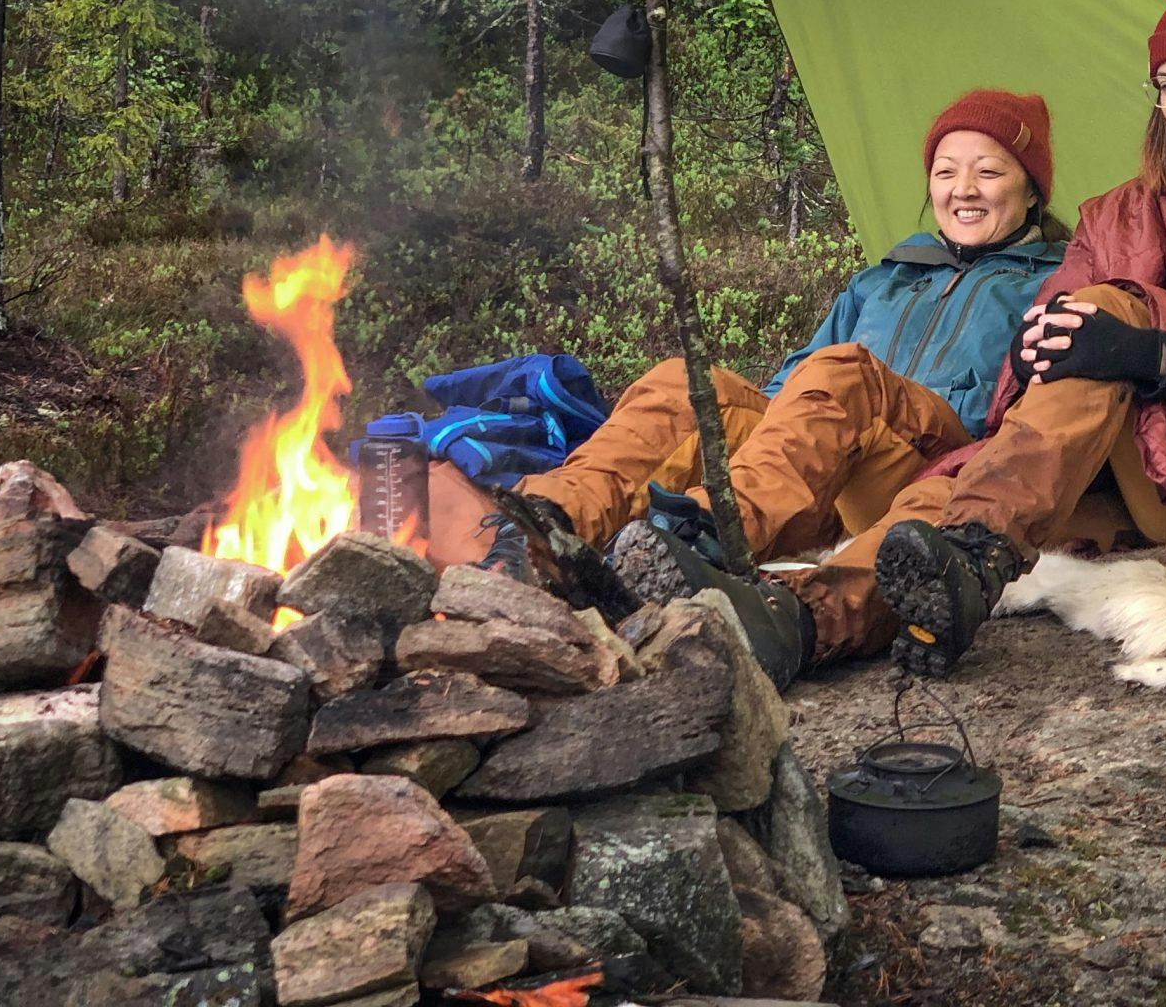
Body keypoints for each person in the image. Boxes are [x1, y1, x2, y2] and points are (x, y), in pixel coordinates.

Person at [637, 0, 1166, 680]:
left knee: (1112, 316)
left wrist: (1147, 352)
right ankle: (812, 620)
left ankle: (980, 546)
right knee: (944, 504)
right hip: (1098, 469)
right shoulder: (1124, 210)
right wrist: (1042, 341)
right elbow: (1040, 356)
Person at [435, 88, 1066, 685]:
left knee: (844, 370)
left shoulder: (1051, 282)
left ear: (1032, 190)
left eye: (988, 172)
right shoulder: (885, 278)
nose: (963, 191)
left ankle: (706, 543)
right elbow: (793, 389)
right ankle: (540, 531)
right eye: (946, 172)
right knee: (688, 382)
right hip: (827, 467)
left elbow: (1046, 420)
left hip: (937, 465)